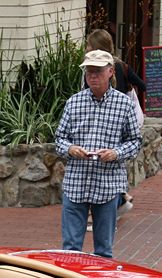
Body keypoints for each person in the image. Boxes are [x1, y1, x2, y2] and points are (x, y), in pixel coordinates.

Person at [55, 49, 142, 258]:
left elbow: (135, 142)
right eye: (88, 72)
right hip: (76, 182)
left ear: (111, 72)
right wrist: (70, 149)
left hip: (108, 183)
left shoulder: (124, 104)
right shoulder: (74, 102)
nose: (92, 76)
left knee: (104, 251)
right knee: (70, 249)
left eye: (97, 71)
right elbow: (59, 140)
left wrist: (115, 153)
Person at [86, 28, 145, 217]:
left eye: (88, 44)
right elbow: (143, 86)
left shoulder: (112, 69)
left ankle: (116, 201)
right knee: (112, 162)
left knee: (106, 162)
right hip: (121, 122)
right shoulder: (123, 65)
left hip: (111, 121)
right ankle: (121, 198)